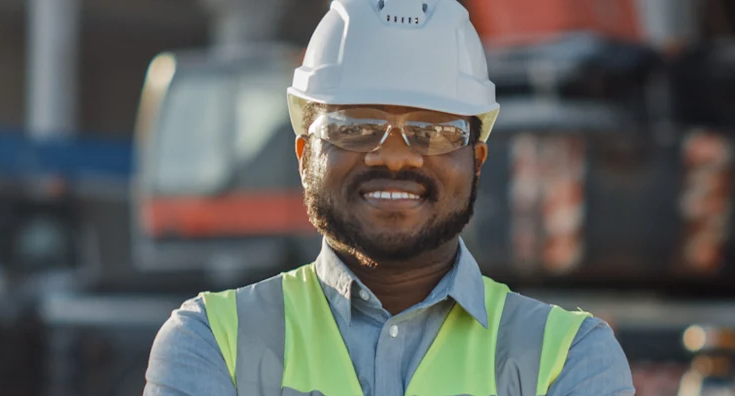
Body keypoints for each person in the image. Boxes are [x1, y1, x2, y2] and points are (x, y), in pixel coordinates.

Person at [142, 0, 635, 394]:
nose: (396, 156)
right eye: (356, 127)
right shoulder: (211, 342)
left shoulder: (570, 357)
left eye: (434, 131)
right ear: (303, 153)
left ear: (476, 160)